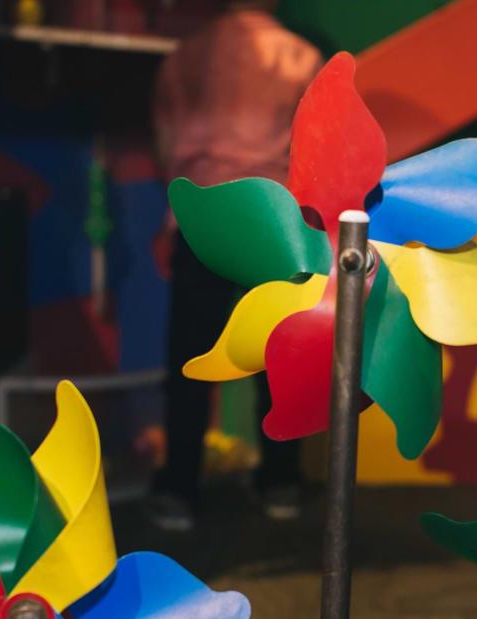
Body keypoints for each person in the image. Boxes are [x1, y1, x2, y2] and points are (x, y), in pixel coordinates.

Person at [147, 0, 323, 531]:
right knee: (279, 361)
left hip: (201, 218)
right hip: (274, 222)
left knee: (189, 362)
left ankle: (179, 488)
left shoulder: (185, 56)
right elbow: (313, 148)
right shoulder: (300, 55)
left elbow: (165, 143)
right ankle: (280, 482)